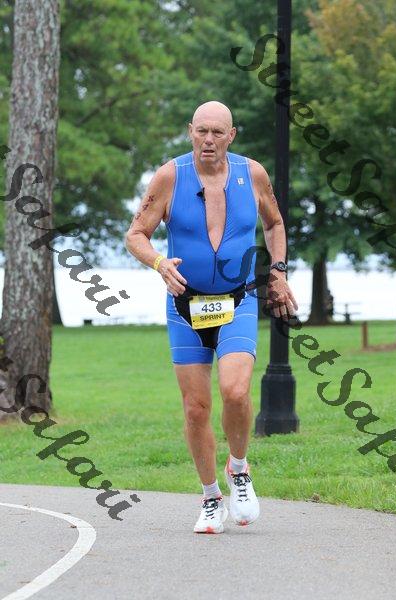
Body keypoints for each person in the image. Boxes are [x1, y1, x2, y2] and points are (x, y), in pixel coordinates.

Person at [125, 101, 298, 534]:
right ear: (190, 131)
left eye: (217, 132)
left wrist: (278, 271)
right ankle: (209, 497)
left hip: (238, 301)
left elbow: (275, 224)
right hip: (186, 305)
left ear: (231, 135)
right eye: (201, 131)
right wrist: (159, 263)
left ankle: (238, 469)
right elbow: (136, 234)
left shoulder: (252, 174)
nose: (208, 140)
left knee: (236, 392)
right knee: (196, 408)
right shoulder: (170, 176)